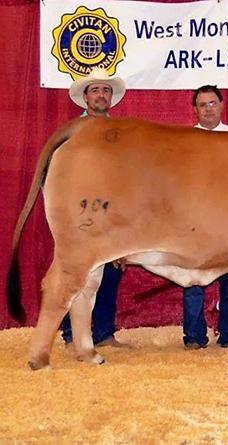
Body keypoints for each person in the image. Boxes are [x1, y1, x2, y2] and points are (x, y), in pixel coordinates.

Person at [61, 67, 128, 347]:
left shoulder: (122, 133)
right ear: (86, 97)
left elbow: (127, 175)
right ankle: (70, 333)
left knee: (110, 272)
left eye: (105, 90)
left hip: (113, 212)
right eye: (96, 90)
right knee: (76, 272)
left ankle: (103, 332)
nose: (101, 95)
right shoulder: (72, 132)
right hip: (80, 212)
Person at [182, 85, 228, 349]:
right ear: (194, 110)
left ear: (221, 105)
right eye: (202, 105)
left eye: (212, 104)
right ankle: (194, 336)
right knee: (192, 278)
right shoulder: (184, 141)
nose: (208, 109)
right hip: (195, 220)